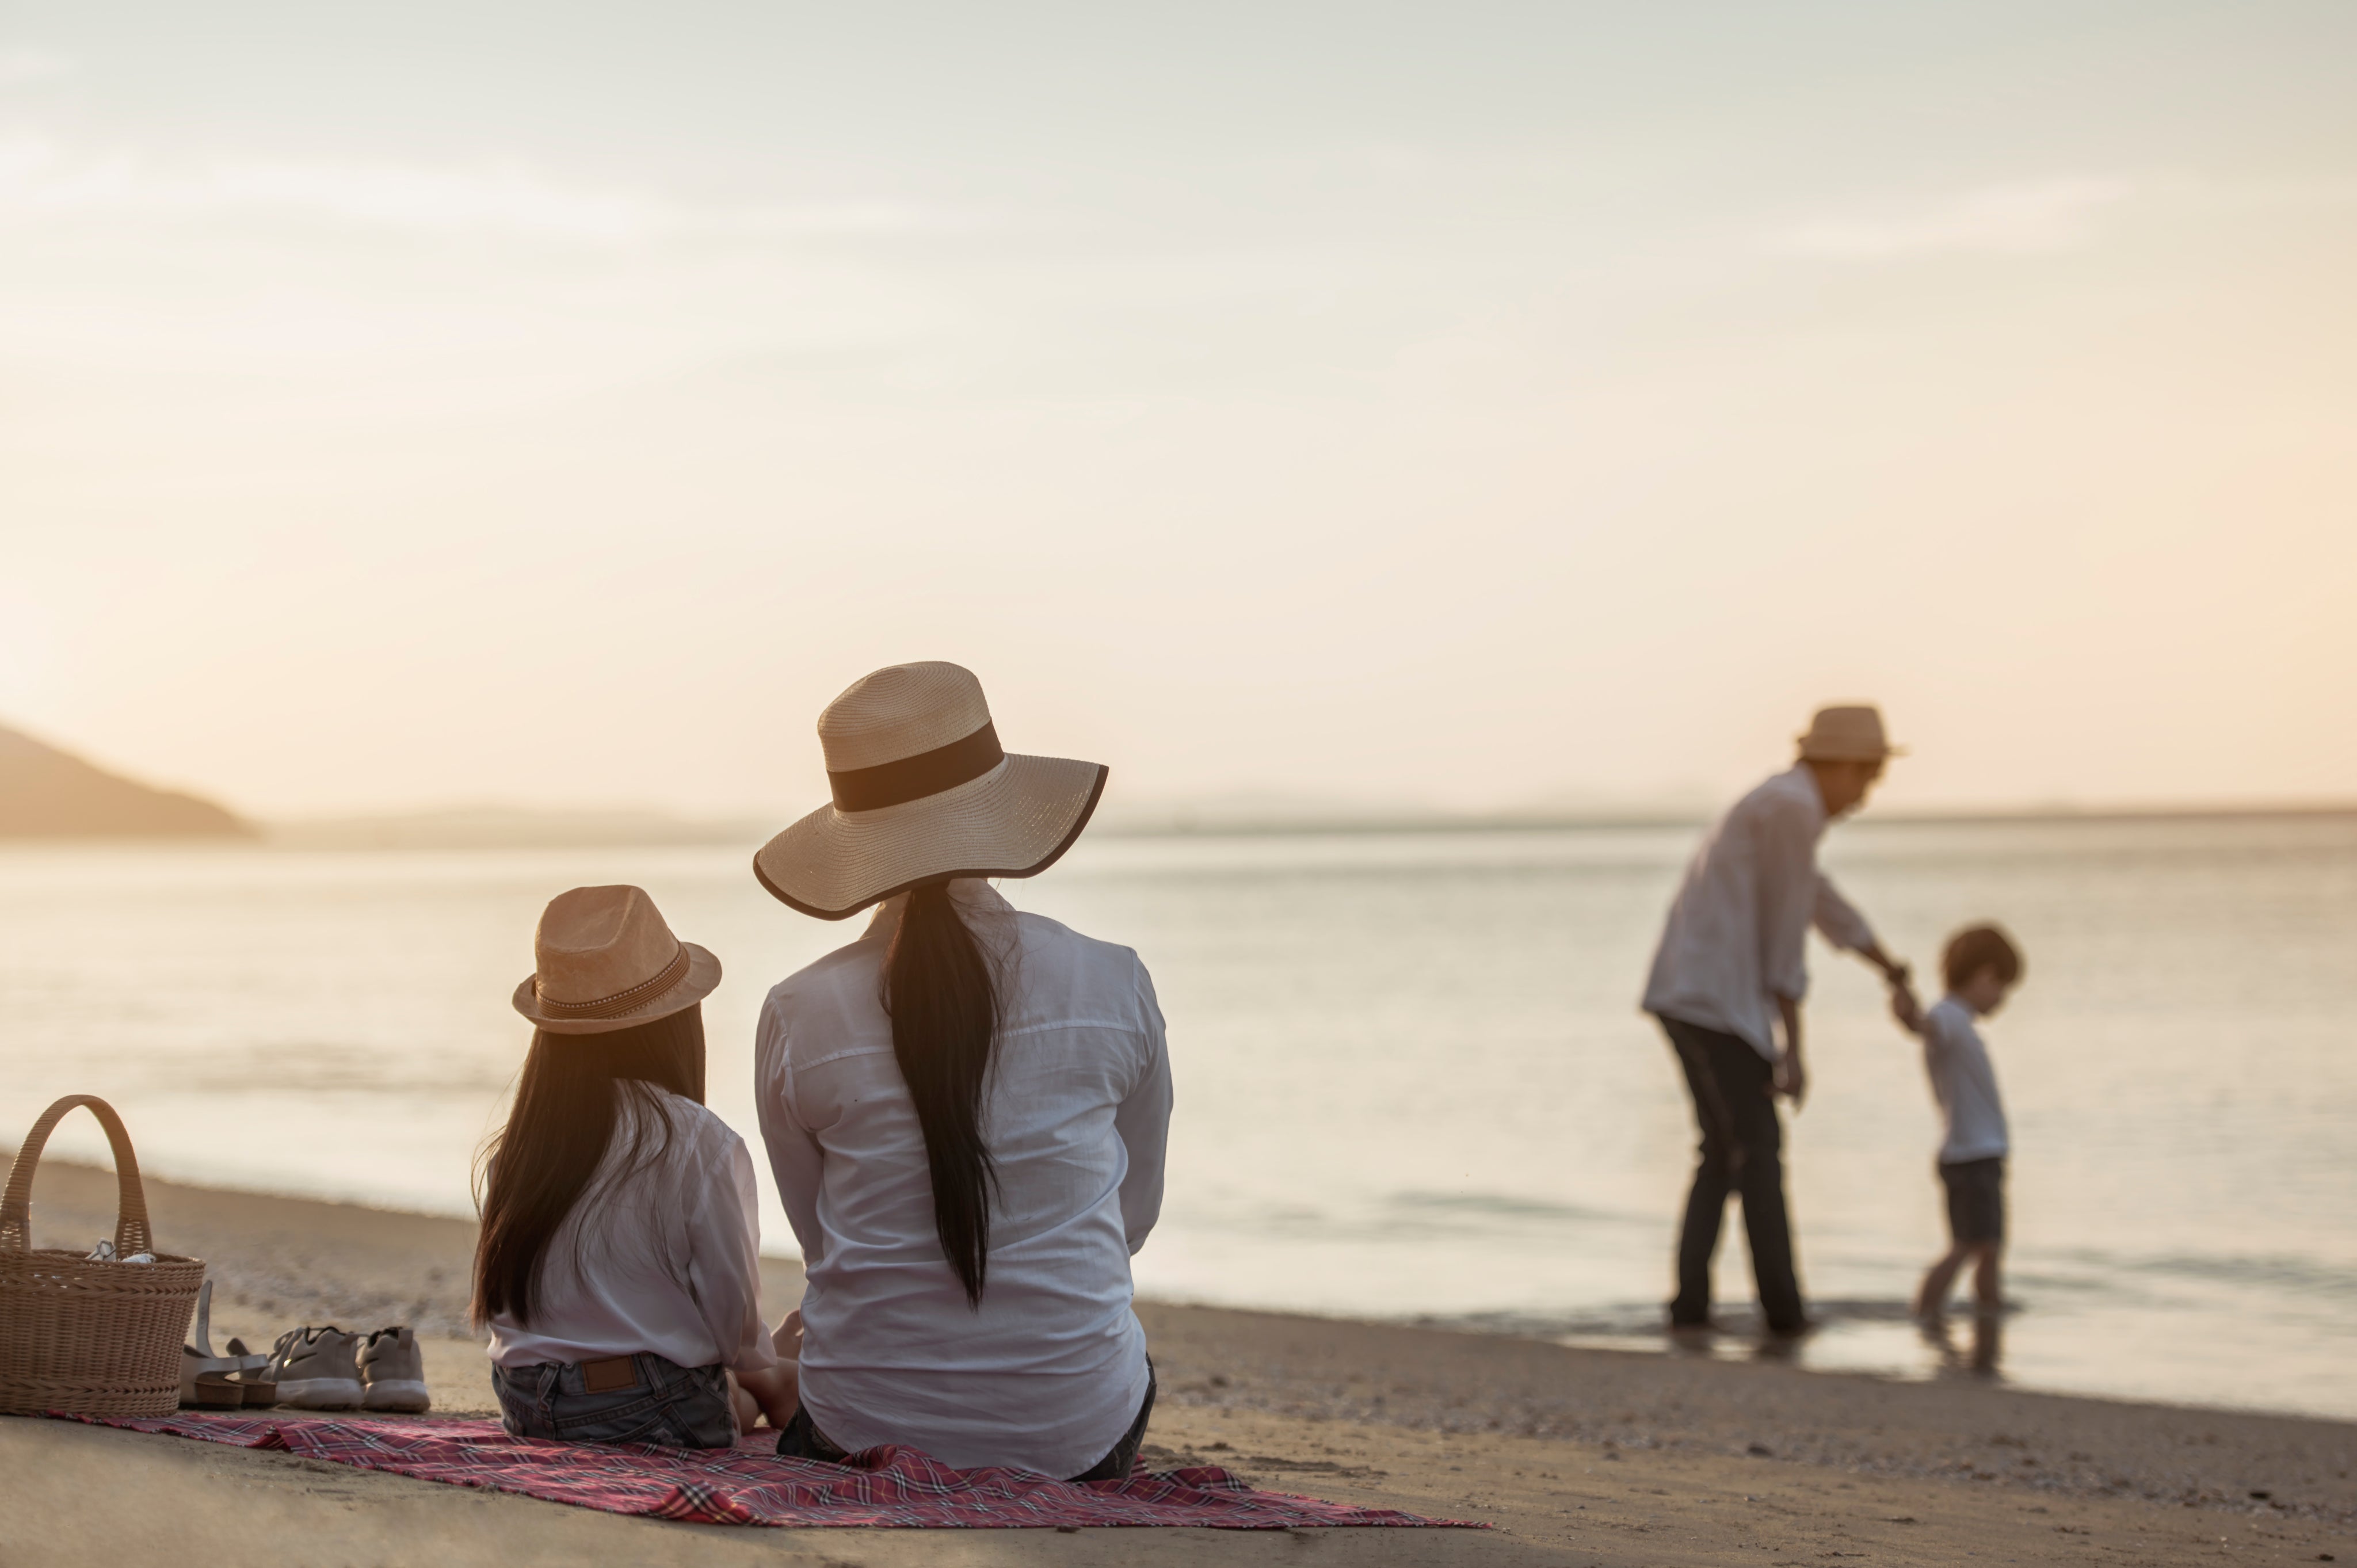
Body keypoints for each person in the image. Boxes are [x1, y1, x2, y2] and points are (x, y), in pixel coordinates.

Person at [750, 661, 1171, 1482]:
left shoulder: (798, 1010)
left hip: (859, 1423)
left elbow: (823, 1238)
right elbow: (1131, 1221)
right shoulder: (1114, 978)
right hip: (1078, 1430)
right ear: (997, 807)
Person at [475, 884, 798, 1446]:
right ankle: (782, 1388)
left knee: (741, 1384)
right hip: (643, 1401)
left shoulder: (522, 1147)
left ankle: (767, 1386)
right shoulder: (700, 1141)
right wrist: (762, 1356)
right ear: (675, 1022)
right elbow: (734, 1329)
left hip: (526, 1402)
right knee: (762, 1379)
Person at [1641, 704, 1919, 1337]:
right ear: (1846, 766)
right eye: (1868, 779)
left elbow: (1819, 901)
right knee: (1757, 1155)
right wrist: (1793, 1049)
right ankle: (1782, 1312)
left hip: (1688, 993)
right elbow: (1784, 943)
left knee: (1722, 1153)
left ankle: (1691, 1308)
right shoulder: (1793, 810)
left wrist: (1890, 969)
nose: (1864, 796)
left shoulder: (1780, 804)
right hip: (1715, 1002)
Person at [1897, 923, 2023, 1326]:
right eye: (2002, 986)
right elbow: (1925, 1026)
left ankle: (1989, 1311)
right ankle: (1928, 1312)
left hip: (1979, 1152)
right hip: (1970, 1154)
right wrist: (1909, 1014)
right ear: (1985, 975)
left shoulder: (1961, 1022)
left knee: (1987, 1245)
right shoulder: (1948, 1016)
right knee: (1969, 1245)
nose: (2002, 998)